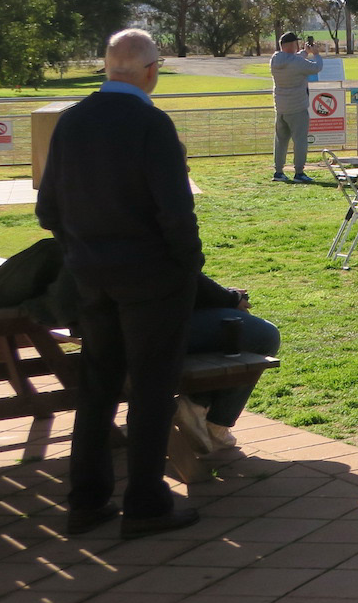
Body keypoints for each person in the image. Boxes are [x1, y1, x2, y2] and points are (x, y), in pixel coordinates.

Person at [35, 28, 204, 538]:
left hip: (90, 273)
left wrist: (79, 249)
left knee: (97, 386)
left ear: (108, 68)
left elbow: (48, 210)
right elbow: (176, 211)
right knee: (153, 388)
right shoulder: (152, 124)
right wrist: (188, 266)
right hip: (152, 276)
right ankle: (146, 502)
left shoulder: (70, 122)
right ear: (151, 71)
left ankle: (86, 499)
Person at [185, 274, 282, 458]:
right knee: (264, 336)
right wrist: (230, 298)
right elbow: (186, 277)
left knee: (230, 328)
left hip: (129, 326)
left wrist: (223, 296)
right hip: (154, 325)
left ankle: (199, 405)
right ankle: (212, 421)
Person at [269, 30, 323, 183]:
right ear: (292, 45)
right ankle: (299, 172)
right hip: (298, 107)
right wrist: (316, 54)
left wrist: (305, 53)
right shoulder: (297, 62)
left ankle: (278, 171)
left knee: (280, 141)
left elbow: (293, 60)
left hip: (280, 107)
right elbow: (316, 67)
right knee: (300, 141)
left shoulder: (275, 59)